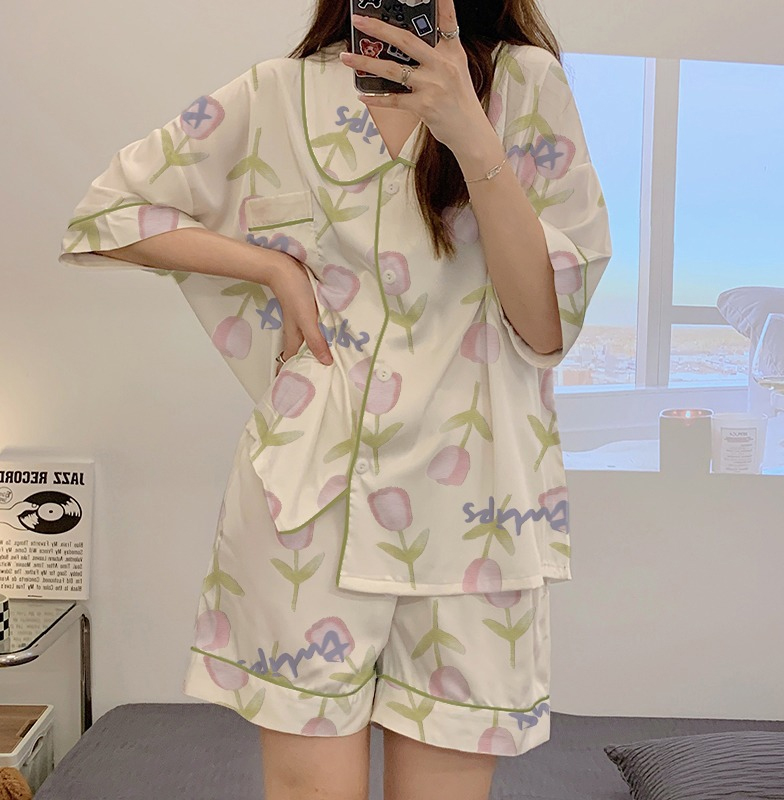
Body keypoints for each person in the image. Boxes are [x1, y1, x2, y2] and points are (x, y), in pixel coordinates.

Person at [58, 0, 612, 797]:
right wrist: (271, 267)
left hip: (476, 518)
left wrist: (470, 132)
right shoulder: (279, 93)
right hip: (308, 507)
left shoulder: (525, 84)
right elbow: (107, 213)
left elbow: (545, 327)